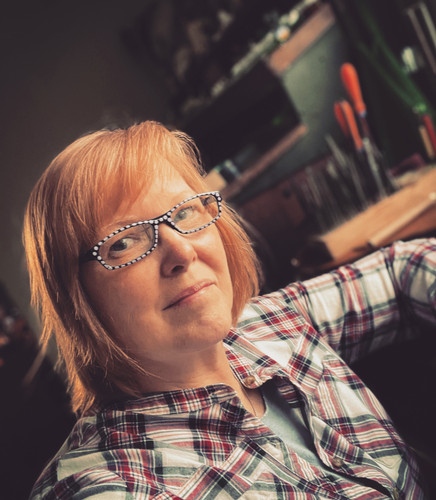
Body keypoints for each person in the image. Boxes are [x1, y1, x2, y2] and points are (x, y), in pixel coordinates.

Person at [24, 121, 433, 499]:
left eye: (184, 212)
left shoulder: (267, 323)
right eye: (124, 242)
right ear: (75, 299)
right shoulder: (104, 484)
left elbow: (399, 270)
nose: (182, 251)